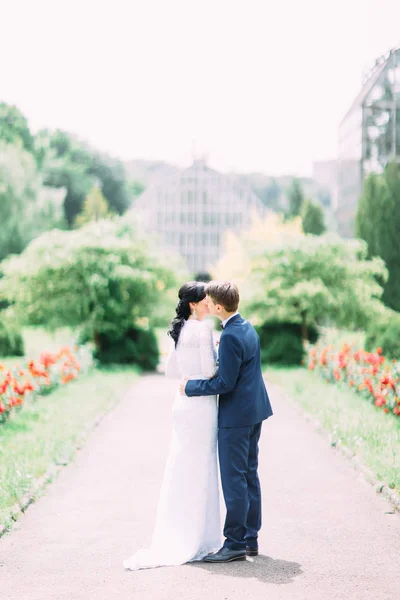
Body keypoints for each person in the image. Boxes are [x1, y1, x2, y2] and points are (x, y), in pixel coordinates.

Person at [123, 281, 221, 570]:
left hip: (182, 404)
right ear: (193, 303)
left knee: (181, 466)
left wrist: (187, 377)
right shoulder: (203, 330)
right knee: (202, 467)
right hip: (201, 405)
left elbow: (170, 372)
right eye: (205, 300)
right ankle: (200, 537)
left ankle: (178, 532)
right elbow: (210, 372)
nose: (208, 303)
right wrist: (215, 352)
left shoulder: (179, 330)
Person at [180, 280, 273, 563]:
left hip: (236, 417)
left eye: (210, 302)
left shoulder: (231, 335)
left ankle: (233, 543)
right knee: (248, 475)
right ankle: (249, 538)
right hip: (254, 411)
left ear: (219, 307)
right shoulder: (245, 326)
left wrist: (190, 388)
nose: (207, 305)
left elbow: (225, 382)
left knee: (234, 480)